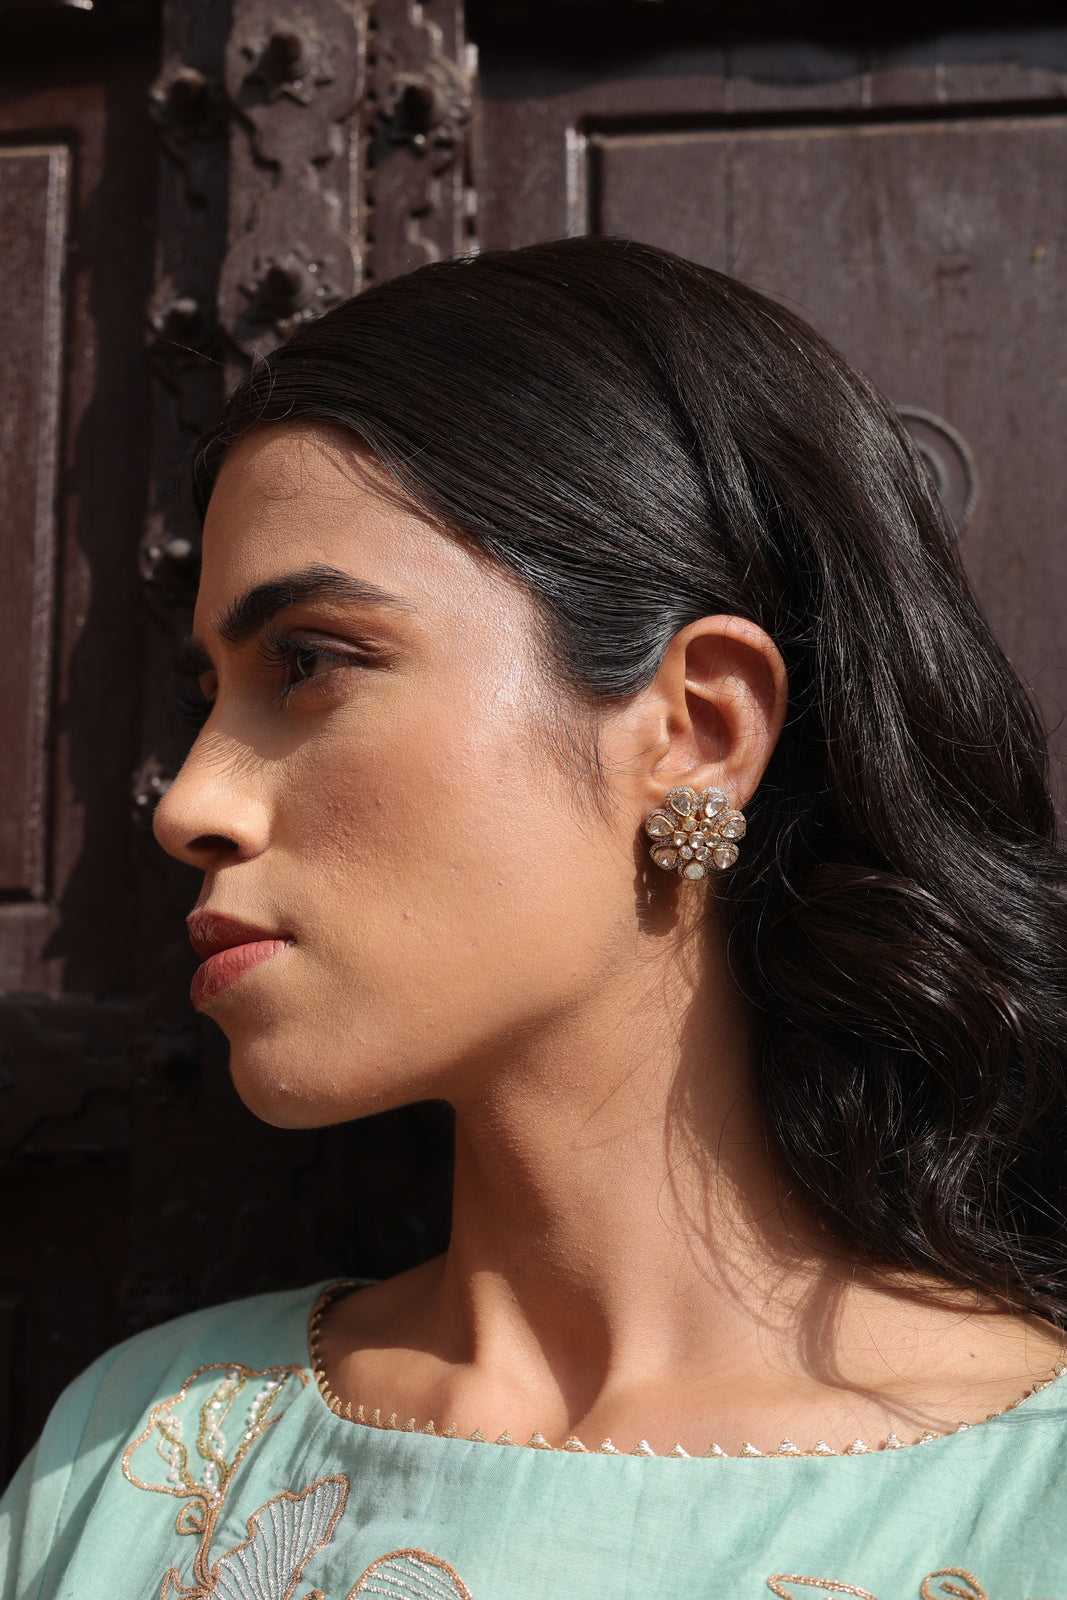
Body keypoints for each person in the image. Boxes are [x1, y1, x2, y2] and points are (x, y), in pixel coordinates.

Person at [3, 236, 1067, 1600]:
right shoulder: (130, 1463)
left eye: (310, 662)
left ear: (695, 731)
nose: (190, 804)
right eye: (209, 695)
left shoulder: (1032, 1499)